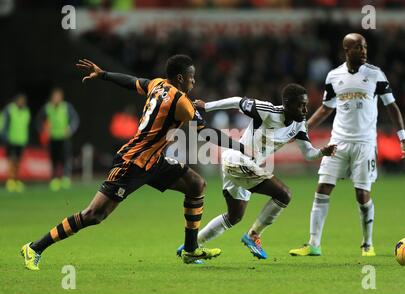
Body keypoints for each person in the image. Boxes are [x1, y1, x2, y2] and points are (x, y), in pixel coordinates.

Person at [21, 54, 250, 270]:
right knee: (94, 214)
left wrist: (103, 74)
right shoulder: (182, 103)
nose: (194, 81)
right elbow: (206, 133)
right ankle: (34, 248)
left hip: (154, 161)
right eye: (192, 77)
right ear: (181, 78)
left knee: (195, 184)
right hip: (132, 163)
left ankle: (190, 249)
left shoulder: (158, 84)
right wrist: (240, 146)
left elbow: (133, 82)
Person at [177, 83, 337, 261]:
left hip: (246, 166)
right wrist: (207, 106)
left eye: (306, 104)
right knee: (284, 194)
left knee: (234, 216)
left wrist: (323, 152)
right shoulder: (268, 110)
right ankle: (253, 235)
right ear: (287, 103)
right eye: (301, 105)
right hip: (238, 160)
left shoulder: (299, 126)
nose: (305, 109)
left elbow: (308, 154)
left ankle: (191, 245)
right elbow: (237, 101)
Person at [289, 33, 405, 257]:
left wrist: (402, 138)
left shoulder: (375, 74)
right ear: (347, 50)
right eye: (358, 47)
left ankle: (367, 243)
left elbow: (391, 107)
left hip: (364, 143)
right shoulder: (334, 76)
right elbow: (327, 107)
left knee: (362, 194)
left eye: (365, 47)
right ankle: (313, 244)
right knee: (323, 188)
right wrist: (302, 127)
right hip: (338, 141)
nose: (364, 51)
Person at [36, 88, 80, 191]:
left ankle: (65, 179)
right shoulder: (47, 107)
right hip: (53, 137)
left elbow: (75, 119)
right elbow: (38, 120)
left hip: (64, 137)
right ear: (52, 97)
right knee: (54, 158)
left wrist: (70, 129)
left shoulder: (66, 107)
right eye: (55, 96)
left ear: (61, 97)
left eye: (58, 96)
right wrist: (43, 130)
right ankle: (54, 179)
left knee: (65, 158)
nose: (57, 98)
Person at [1, 94, 31, 193]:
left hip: (21, 140)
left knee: (18, 161)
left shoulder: (26, 111)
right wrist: (4, 136)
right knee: (11, 160)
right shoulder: (9, 110)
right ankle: (10, 180)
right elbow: (3, 123)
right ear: (16, 101)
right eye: (20, 100)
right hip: (11, 139)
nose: (22, 102)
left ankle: (16, 180)